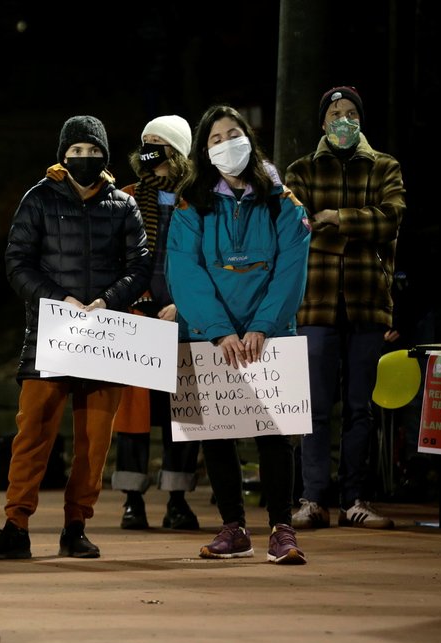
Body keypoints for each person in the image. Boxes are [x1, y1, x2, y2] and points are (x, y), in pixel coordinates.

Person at [0, 115, 150, 559]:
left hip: (105, 335)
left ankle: (76, 527)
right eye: (77, 151)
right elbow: (17, 264)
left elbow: (140, 264)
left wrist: (107, 301)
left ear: (105, 156)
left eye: (94, 152)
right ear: (62, 155)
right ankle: (15, 526)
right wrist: (60, 299)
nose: (85, 159)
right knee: (32, 431)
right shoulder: (38, 199)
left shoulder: (123, 207)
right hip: (49, 335)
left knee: (94, 439)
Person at [166, 105, 311, 564]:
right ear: (203, 151)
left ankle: (281, 530)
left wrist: (263, 327)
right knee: (218, 435)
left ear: (249, 138)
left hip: (270, 335)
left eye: (233, 133)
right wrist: (219, 331)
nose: (225, 143)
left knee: (275, 436)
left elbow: (291, 270)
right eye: (214, 138)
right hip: (212, 339)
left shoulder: (282, 201)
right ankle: (234, 529)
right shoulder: (191, 204)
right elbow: (184, 272)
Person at [286, 86, 405, 530]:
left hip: (368, 302)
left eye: (351, 112)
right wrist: (359, 220)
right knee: (313, 406)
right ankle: (312, 498)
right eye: (336, 113)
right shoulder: (300, 170)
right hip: (313, 303)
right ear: (323, 122)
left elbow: (391, 217)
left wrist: (336, 217)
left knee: (361, 408)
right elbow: (295, 224)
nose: (343, 119)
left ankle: (355, 498)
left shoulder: (384, 166)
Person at [111, 114, 202, 531]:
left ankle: (178, 500)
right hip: (136, 318)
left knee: (181, 412)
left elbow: (207, 263)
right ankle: (133, 499)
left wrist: (183, 308)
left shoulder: (197, 200)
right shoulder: (126, 197)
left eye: (157, 142)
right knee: (131, 412)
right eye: (143, 141)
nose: (148, 149)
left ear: (177, 150)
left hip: (182, 320)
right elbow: (115, 261)